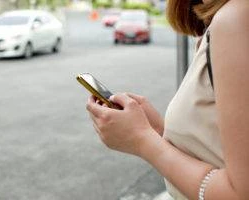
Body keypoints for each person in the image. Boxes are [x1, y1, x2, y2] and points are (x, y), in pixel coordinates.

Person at [86, 0, 249, 199]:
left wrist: (142, 140)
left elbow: (240, 194)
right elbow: (218, 149)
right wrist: (158, 131)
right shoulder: (223, 20)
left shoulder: (236, 18)